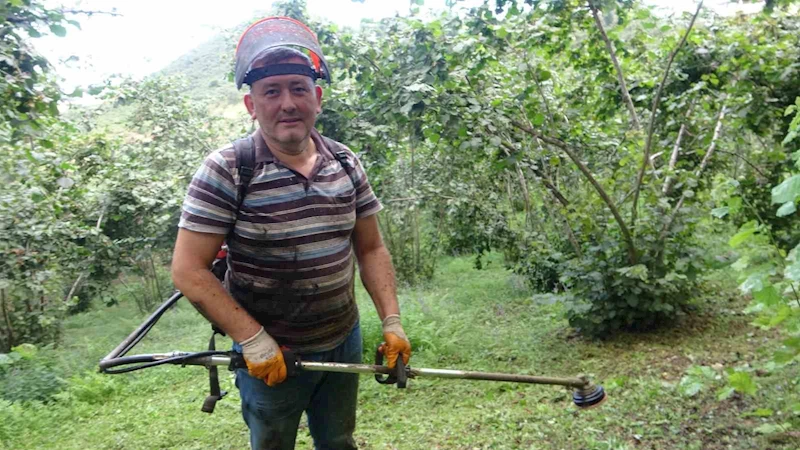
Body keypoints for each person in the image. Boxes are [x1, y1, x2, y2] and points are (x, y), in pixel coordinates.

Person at [171, 17, 411, 450]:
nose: (287, 103)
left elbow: (371, 248)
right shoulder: (227, 169)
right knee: (272, 442)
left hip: (342, 338)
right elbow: (189, 270)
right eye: (272, 91)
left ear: (316, 98)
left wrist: (391, 322)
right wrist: (253, 340)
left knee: (338, 439)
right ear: (251, 105)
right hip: (271, 350)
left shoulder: (346, 163)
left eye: (298, 89)